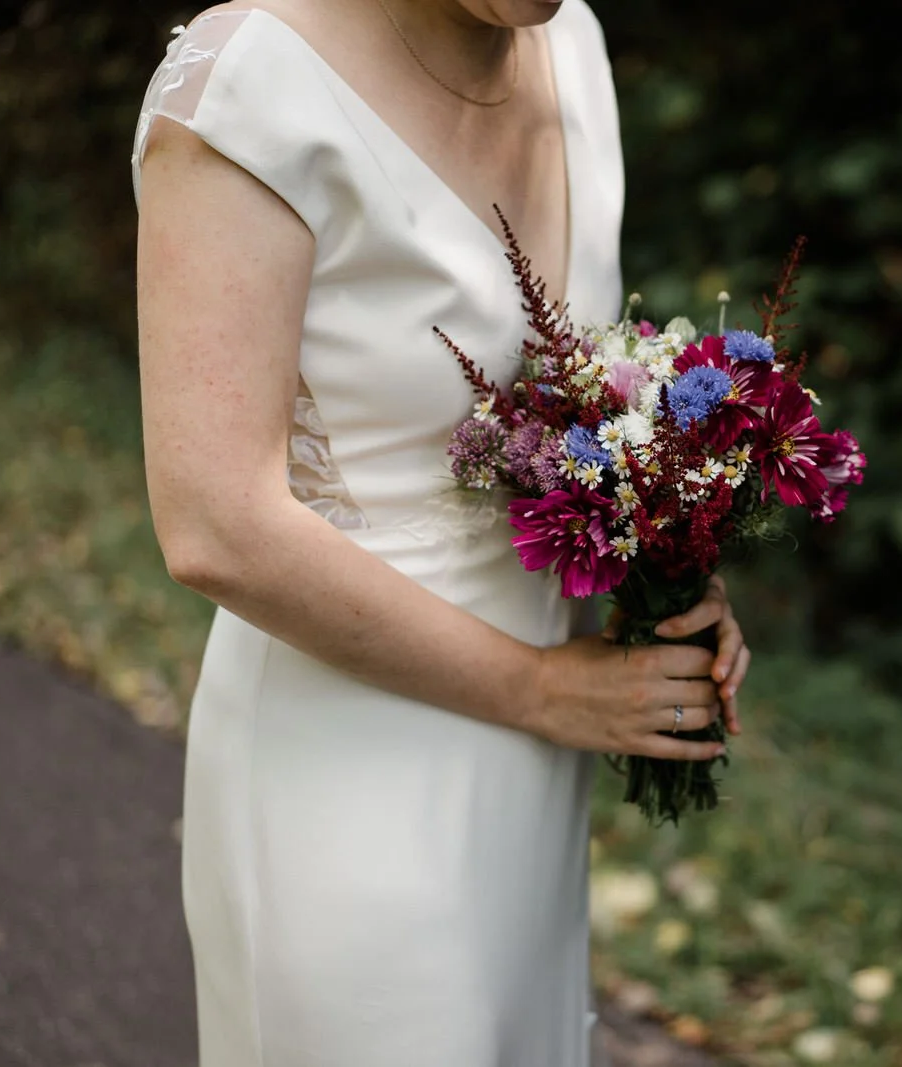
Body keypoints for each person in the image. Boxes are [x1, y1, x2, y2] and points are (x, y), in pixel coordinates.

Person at [131, 2, 751, 1063]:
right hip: (345, 763)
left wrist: (662, 563)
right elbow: (215, 527)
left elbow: (563, 408)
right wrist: (542, 688)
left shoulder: (572, 48)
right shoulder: (248, 86)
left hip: (532, 765)